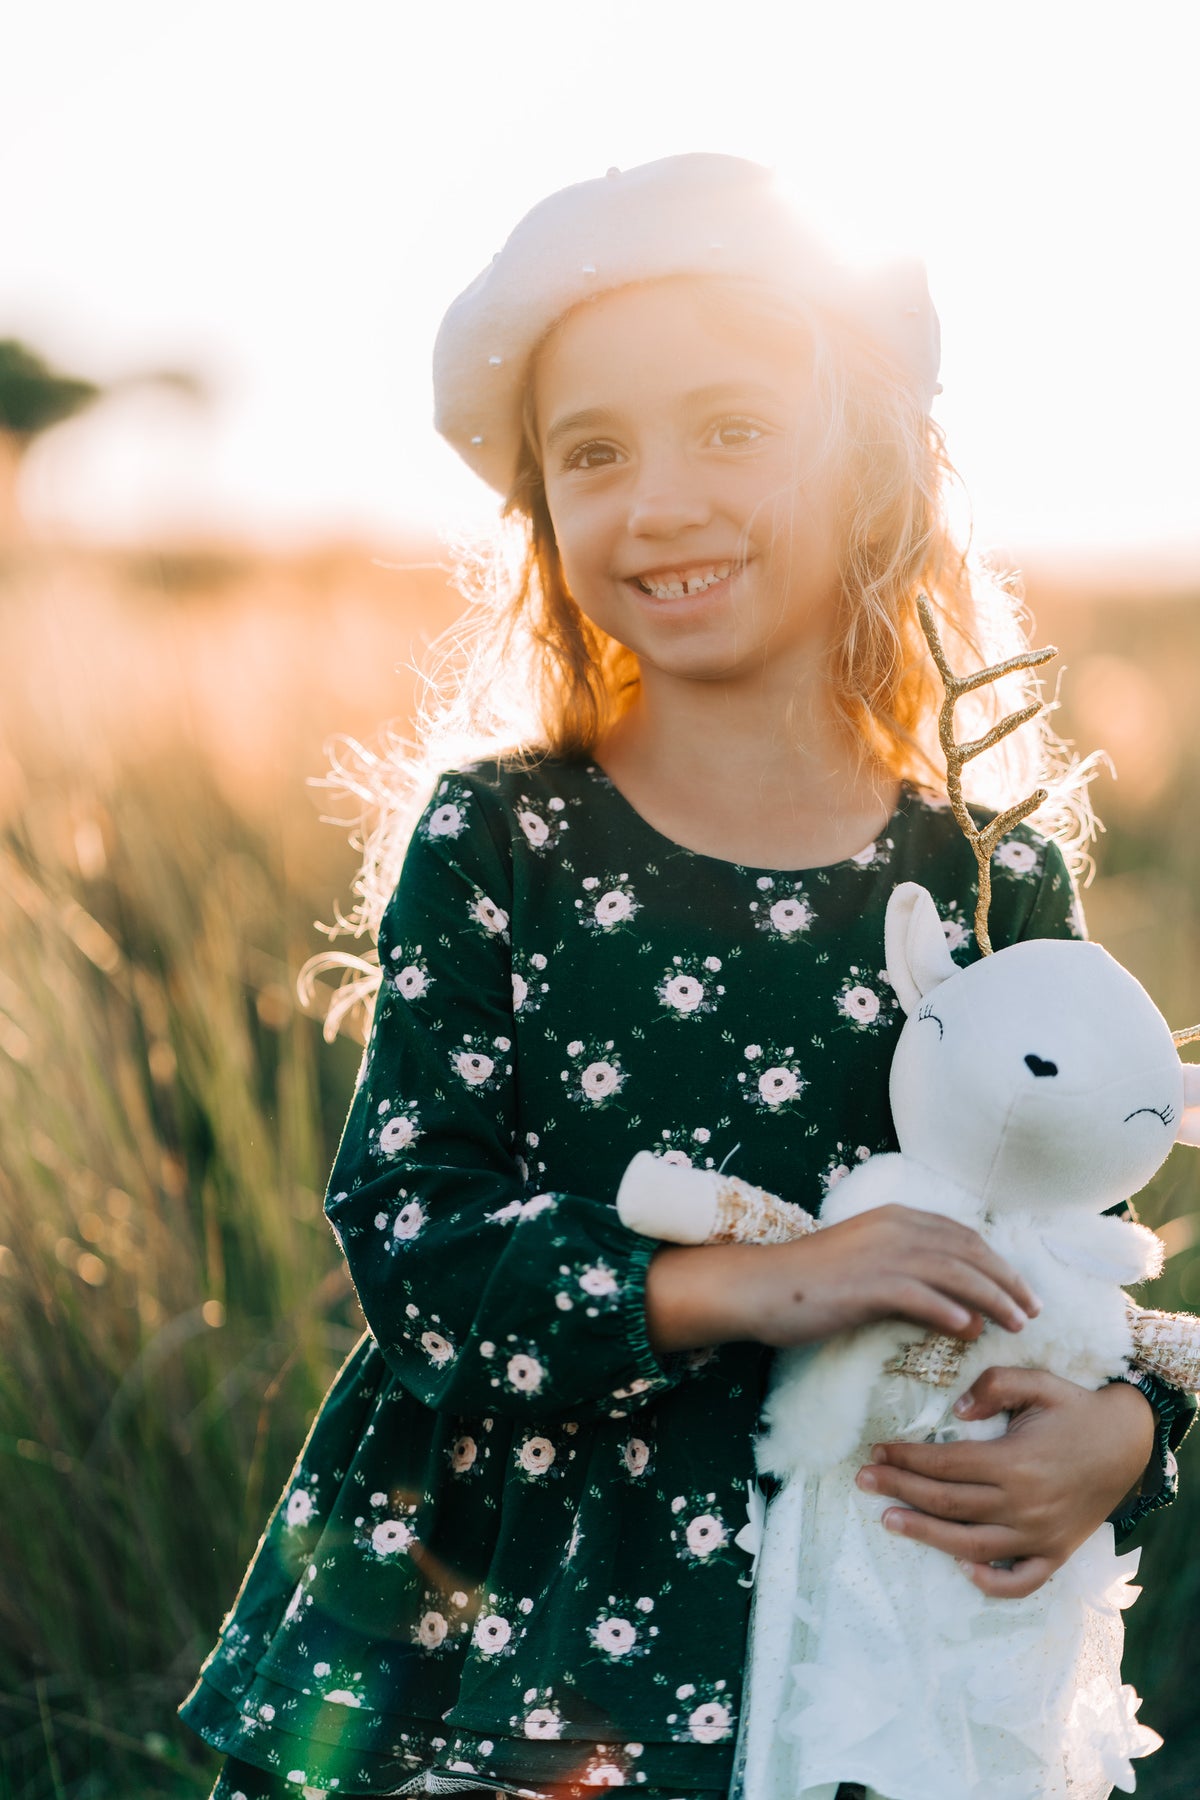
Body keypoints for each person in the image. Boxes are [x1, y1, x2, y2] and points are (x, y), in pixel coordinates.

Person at [179, 153, 1195, 1800]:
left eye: (732, 429)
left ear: (870, 463)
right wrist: (763, 1284)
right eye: (595, 452)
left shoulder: (992, 873)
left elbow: (1071, 1263)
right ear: (542, 509)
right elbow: (414, 1232)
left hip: (866, 1622)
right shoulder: (503, 838)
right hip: (513, 1622)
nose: (658, 498)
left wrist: (1126, 1444)